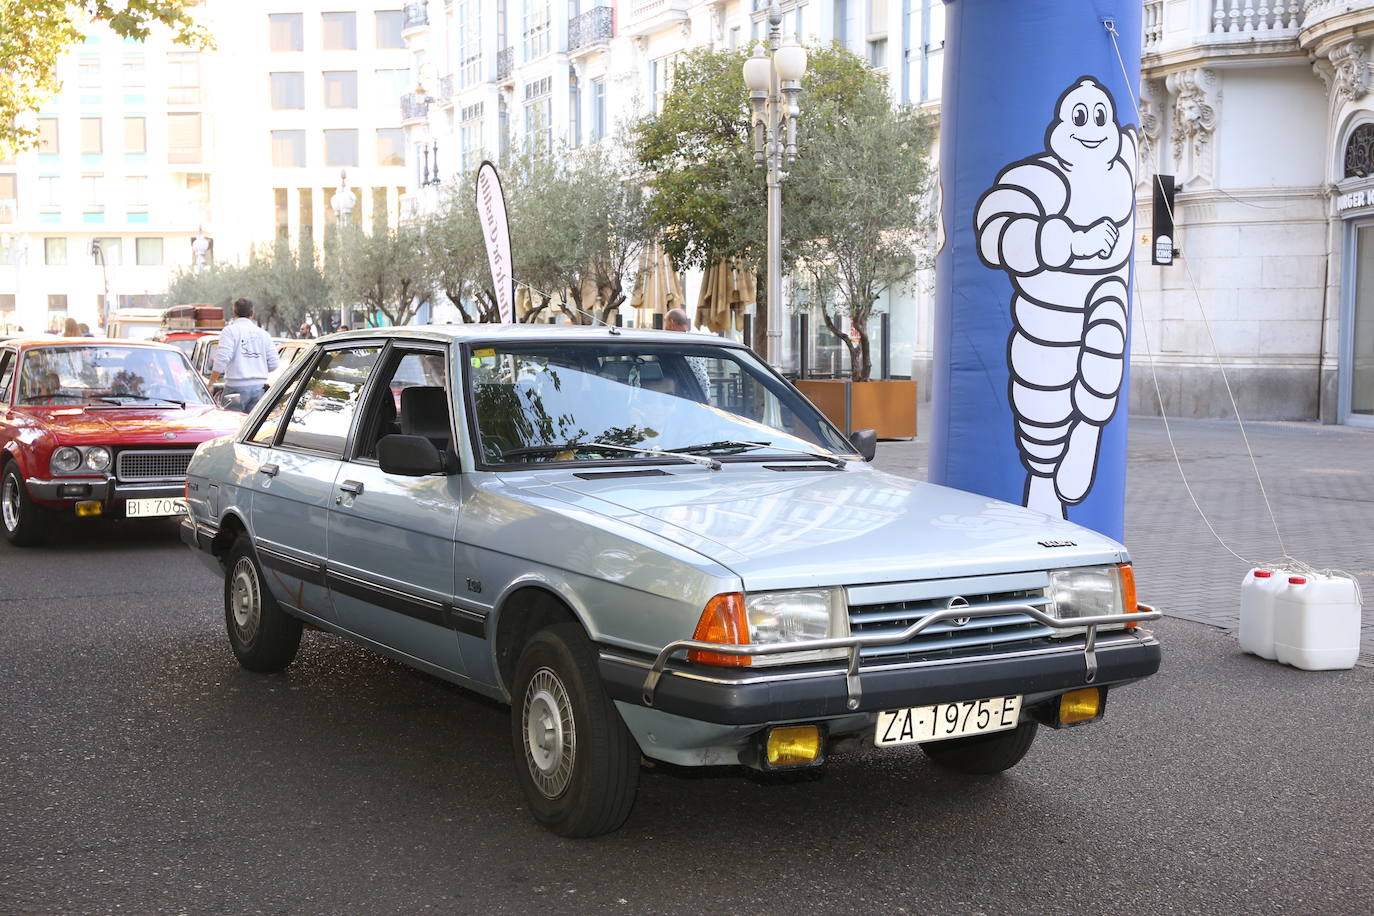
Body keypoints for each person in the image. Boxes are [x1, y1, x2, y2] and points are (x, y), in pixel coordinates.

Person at [210, 298, 280, 413]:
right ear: (252, 314)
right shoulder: (264, 335)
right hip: (258, 390)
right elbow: (274, 363)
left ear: (234, 313)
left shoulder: (229, 331)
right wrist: (257, 369)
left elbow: (222, 359)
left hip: (235, 390)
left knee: (234, 426)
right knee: (254, 428)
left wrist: (211, 383)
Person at [665, 307, 712, 400]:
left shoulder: (678, 344)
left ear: (672, 322)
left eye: (665, 322)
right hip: (698, 396)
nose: (664, 326)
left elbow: (699, 377)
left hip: (689, 399)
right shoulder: (694, 341)